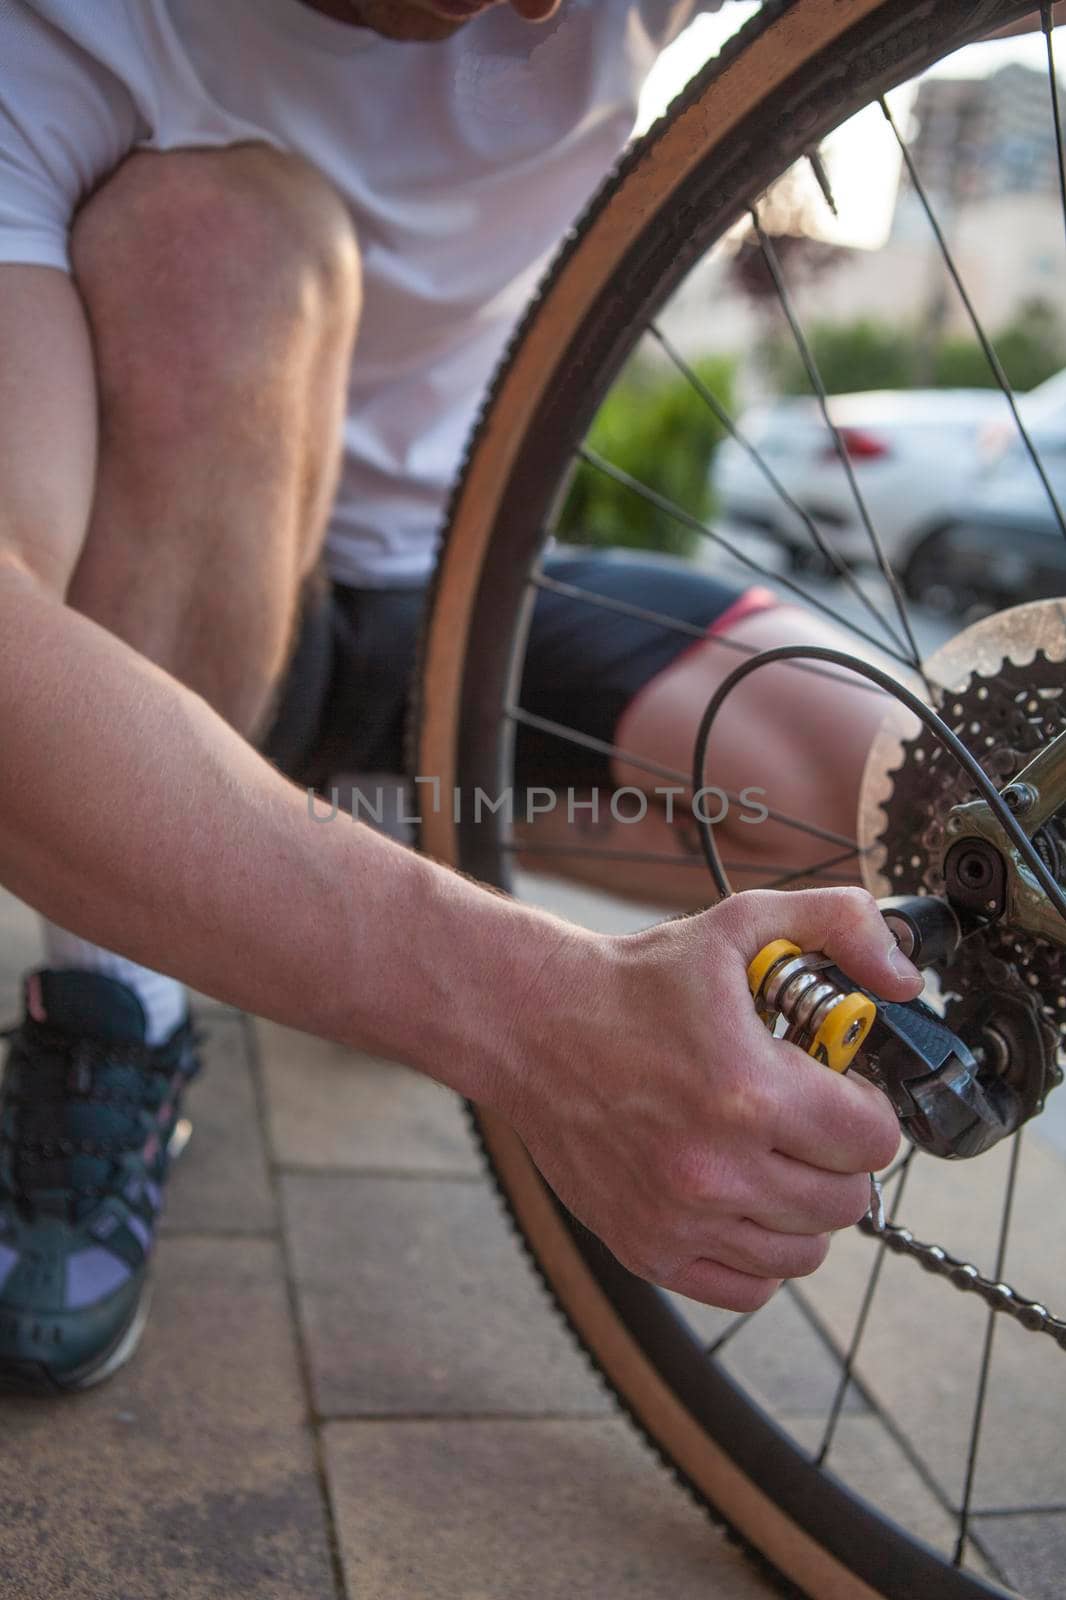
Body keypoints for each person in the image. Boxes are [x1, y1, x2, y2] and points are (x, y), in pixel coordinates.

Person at [0, 0, 920, 1395]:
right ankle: (118, 997)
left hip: (464, 600)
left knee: (905, 787)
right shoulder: (48, 35)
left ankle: (329, 854)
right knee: (222, 241)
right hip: (178, 597)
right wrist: (538, 1018)